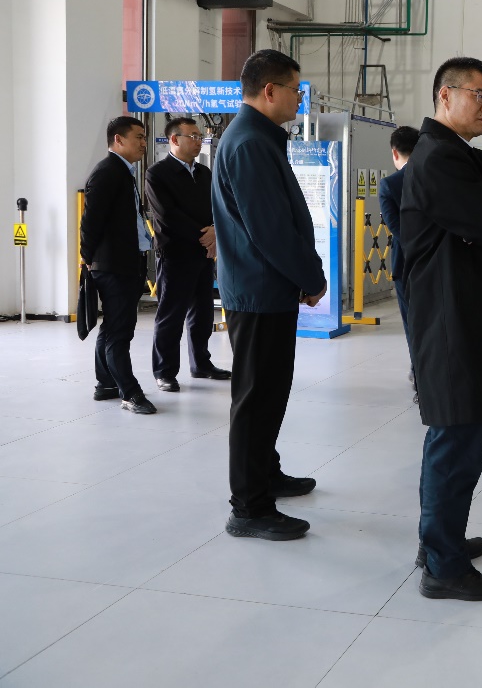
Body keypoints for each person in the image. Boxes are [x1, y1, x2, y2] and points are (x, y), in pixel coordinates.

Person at [400, 56, 482, 601]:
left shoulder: (452, 155)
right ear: (445, 95)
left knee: (457, 437)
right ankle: (443, 566)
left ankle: (440, 541)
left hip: (462, 313)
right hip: (452, 320)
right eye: (479, 96)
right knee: (456, 440)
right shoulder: (438, 159)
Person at [212, 49, 328, 542]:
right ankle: (249, 507)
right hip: (258, 291)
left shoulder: (257, 138)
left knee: (270, 392)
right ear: (270, 91)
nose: (299, 99)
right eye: (295, 90)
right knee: (256, 398)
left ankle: (266, 474)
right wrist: (311, 277)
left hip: (265, 288)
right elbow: (271, 230)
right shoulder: (249, 143)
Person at [145, 117, 230, 393]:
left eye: (199, 137)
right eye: (192, 136)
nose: (198, 141)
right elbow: (167, 215)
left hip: (204, 254)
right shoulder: (157, 174)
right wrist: (204, 236)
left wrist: (215, 231)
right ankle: (164, 372)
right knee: (171, 315)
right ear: (174, 139)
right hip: (175, 254)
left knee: (202, 314)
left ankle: (201, 364)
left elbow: (218, 205)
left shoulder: (204, 173)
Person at [81, 115, 154, 414]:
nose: (144, 143)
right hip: (113, 265)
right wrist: (88, 258)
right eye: (138, 137)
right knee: (120, 332)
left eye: (144, 137)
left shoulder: (123, 171)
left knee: (112, 326)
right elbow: (90, 222)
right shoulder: (107, 172)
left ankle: (106, 384)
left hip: (125, 262)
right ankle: (130, 393)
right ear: (118, 140)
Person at [378, 124, 420, 395]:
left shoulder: (389, 185)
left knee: (412, 324)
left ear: (395, 152)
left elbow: (396, 228)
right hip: (439, 263)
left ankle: (420, 376)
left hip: (407, 265)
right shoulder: (436, 179)